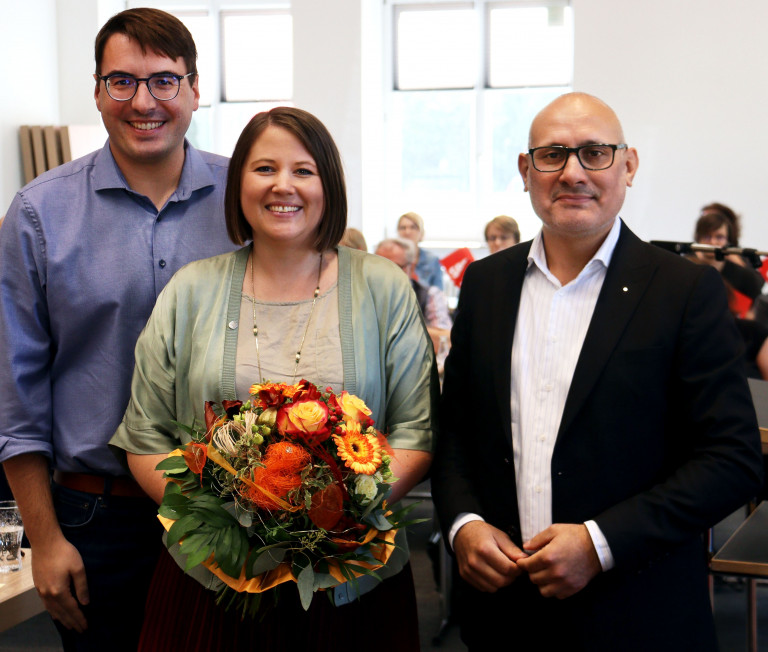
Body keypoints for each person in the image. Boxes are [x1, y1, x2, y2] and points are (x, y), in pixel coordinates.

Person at [431, 92, 764, 651]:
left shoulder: (684, 291)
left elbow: (731, 459)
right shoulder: (486, 285)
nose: (572, 172)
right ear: (525, 169)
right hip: (504, 616)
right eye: (552, 154)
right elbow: (457, 433)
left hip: (637, 615)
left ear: (628, 166)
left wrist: (600, 543)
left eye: (595, 153)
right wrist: (464, 523)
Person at [109, 106, 437, 650]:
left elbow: (415, 433)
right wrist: (226, 521)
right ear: (239, 183)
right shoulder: (190, 291)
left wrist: (330, 518)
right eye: (264, 169)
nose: (283, 185)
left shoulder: (383, 287)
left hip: (355, 579)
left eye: (303, 171)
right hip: (212, 578)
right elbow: (145, 439)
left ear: (328, 184)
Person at [0, 8, 237, 651]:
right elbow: (16, 398)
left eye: (163, 81)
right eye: (122, 82)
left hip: (238, 510)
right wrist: (44, 541)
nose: (144, 102)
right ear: (98, 91)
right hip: (94, 517)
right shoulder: (37, 214)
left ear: (194, 88)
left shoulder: (245, 199)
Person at [692, 203, 764, 317]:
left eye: (719, 237)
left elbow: (756, 290)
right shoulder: (687, 264)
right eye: (707, 236)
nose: (713, 242)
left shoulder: (739, 266)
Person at [397, 210, 444, 289]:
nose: (407, 232)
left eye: (413, 227)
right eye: (403, 228)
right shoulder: (390, 258)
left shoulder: (432, 260)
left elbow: (439, 294)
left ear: (421, 232)